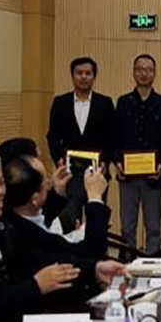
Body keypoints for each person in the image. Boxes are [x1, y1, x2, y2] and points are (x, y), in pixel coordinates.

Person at [0, 149, 124, 322]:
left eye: (1, 183)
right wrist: (36, 285)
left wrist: (94, 269)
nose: (0, 192)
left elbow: (48, 257)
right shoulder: (6, 228)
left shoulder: (1, 229)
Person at [47, 57, 115, 232]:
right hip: (70, 173)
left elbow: (112, 137)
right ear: (72, 76)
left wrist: (106, 161)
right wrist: (58, 159)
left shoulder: (105, 103)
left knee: (96, 220)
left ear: (94, 76)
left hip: (97, 173)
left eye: (88, 73)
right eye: (79, 73)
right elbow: (53, 136)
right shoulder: (60, 102)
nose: (83, 77)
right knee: (70, 219)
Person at [114, 54, 161, 254]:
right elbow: (115, 137)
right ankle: (126, 265)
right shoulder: (123, 102)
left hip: (153, 177)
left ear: (155, 73)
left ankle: (152, 264)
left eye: (148, 70)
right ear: (133, 72)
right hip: (127, 177)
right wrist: (117, 162)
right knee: (127, 228)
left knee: (154, 228)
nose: (144, 73)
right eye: (140, 69)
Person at [3, 156, 111, 260]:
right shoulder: (32, 239)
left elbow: (44, 215)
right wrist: (95, 197)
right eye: (44, 181)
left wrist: (57, 192)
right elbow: (90, 253)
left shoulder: (15, 217)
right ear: (34, 198)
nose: (49, 182)